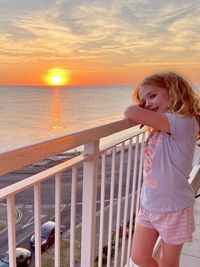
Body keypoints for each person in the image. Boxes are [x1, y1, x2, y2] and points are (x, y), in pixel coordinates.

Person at [124, 71, 200, 267]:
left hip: (174, 209)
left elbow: (131, 112)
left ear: (174, 92)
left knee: (169, 262)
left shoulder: (182, 121)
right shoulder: (162, 126)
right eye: (144, 100)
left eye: (152, 96)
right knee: (139, 257)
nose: (147, 103)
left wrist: (141, 110)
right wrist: (149, 110)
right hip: (149, 205)